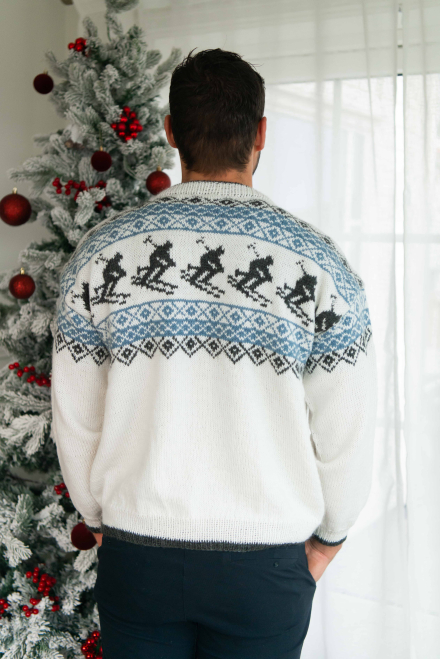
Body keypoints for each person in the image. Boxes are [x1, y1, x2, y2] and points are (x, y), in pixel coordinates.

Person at [51, 48, 378, 659]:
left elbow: (75, 417)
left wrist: (98, 520)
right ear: (261, 134)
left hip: (138, 557)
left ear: (171, 132)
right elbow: (347, 430)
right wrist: (329, 540)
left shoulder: (99, 254)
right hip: (265, 569)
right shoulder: (319, 264)